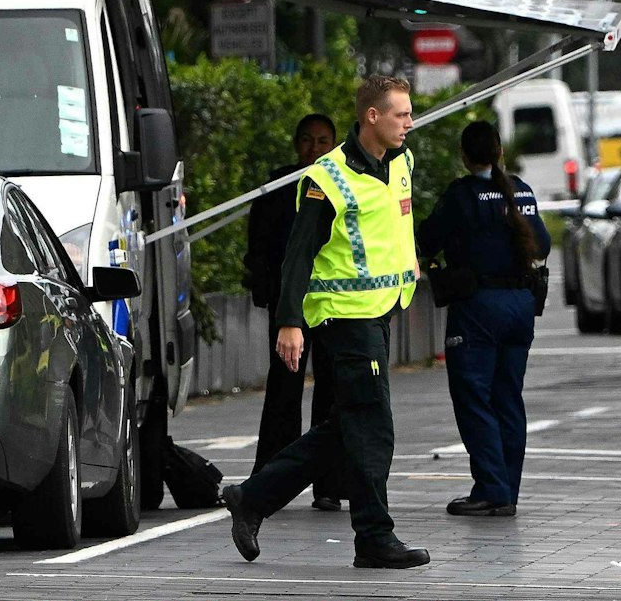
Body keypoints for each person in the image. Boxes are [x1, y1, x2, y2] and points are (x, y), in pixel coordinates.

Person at [222, 75, 430, 569]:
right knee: (373, 428)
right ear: (372, 117)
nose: (410, 123)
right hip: (343, 317)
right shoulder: (327, 177)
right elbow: (298, 255)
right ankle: (375, 537)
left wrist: (412, 256)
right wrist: (290, 322)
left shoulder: (401, 161)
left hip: (380, 311)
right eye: (400, 114)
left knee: (349, 427)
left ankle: (252, 498)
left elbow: (397, 219)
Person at [416, 121, 550, 515]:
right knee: (508, 397)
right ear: (500, 152)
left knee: (474, 396)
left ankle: (491, 489)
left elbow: (425, 240)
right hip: (520, 304)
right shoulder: (521, 190)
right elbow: (541, 242)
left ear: (464, 155)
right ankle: (506, 488)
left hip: (478, 307)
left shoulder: (462, 195)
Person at [245, 112, 346, 509]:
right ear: (296, 144)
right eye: (307, 140)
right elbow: (259, 246)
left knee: (332, 390)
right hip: (289, 305)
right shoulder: (279, 186)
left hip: (332, 303)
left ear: (335, 145)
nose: (315, 149)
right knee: (284, 393)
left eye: (323, 141)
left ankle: (331, 486)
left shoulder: (342, 183)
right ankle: (273, 482)